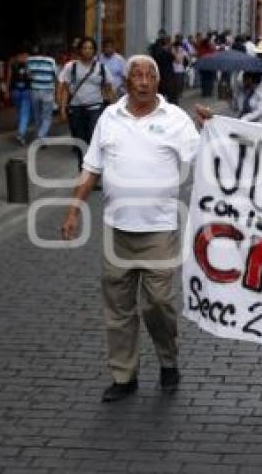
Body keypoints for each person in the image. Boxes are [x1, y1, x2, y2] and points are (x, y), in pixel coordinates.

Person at [61, 55, 206, 403]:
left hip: (159, 229)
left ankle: (168, 361)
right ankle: (123, 376)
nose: (142, 81)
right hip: (116, 230)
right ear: (126, 82)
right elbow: (91, 167)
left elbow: (207, 157)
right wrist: (73, 210)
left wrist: (211, 129)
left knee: (157, 303)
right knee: (119, 308)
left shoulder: (176, 120)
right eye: (136, 75)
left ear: (158, 81)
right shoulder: (109, 118)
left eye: (149, 75)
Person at [58, 37, 115, 170]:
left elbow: (109, 89)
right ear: (79, 50)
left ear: (94, 51)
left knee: (93, 140)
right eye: (85, 48)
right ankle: (83, 169)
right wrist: (62, 109)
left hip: (95, 108)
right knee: (79, 141)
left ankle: (92, 171)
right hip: (75, 109)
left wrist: (114, 109)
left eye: (90, 48)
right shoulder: (70, 67)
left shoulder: (101, 68)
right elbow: (65, 89)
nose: (87, 51)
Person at [26, 45, 58, 141]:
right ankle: (41, 136)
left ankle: (40, 136)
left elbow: (28, 75)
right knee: (47, 116)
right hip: (47, 90)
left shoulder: (29, 60)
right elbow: (55, 75)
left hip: (34, 90)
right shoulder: (50, 61)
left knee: (37, 115)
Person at [6, 43, 32, 146]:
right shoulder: (29, 60)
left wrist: (7, 90)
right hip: (26, 90)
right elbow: (31, 76)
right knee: (24, 113)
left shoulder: (12, 61)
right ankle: (21, 133)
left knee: (20, 111)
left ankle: (21, 129)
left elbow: (9, 76)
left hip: (15, 91)